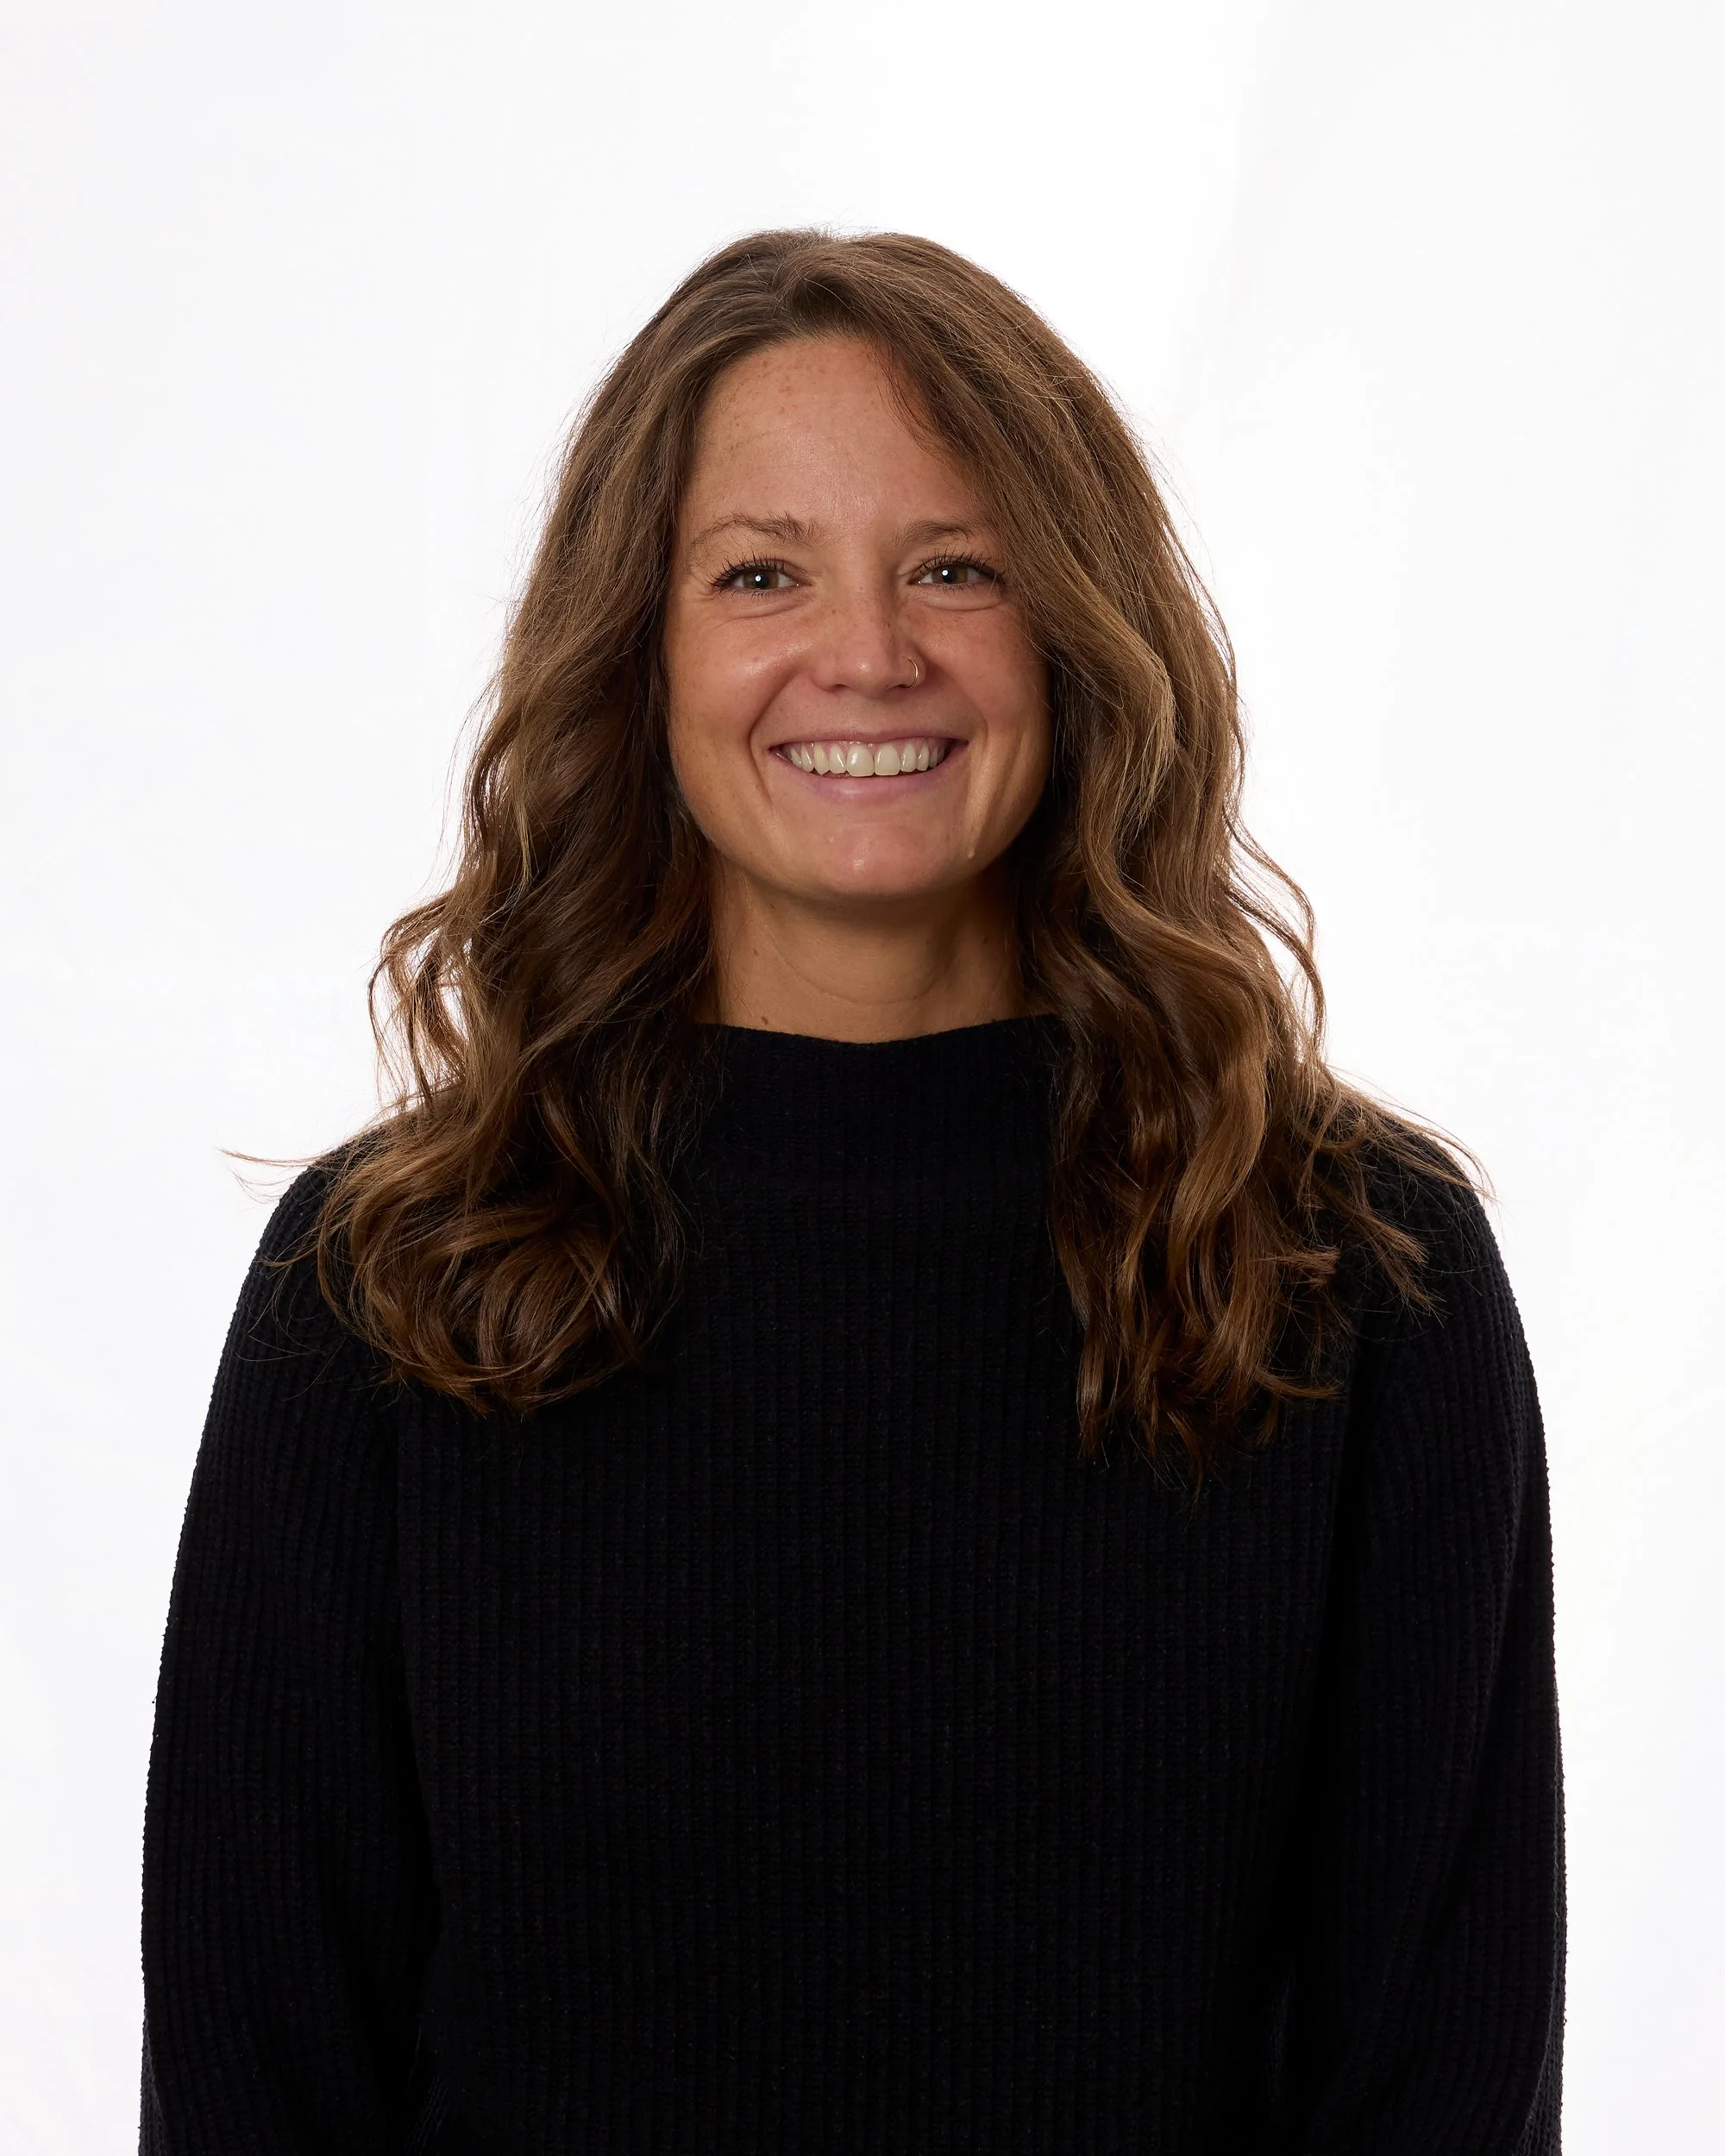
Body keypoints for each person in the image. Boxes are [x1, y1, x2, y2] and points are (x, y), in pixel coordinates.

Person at [139, 229, 1565, 2153]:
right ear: (638, 648)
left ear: (1072, 632)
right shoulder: (393, 1283)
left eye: (955, 566)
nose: (869, 651)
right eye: (760, 572)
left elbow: (1438, 2079)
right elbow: (257, 2076)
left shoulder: (1343, 1268)